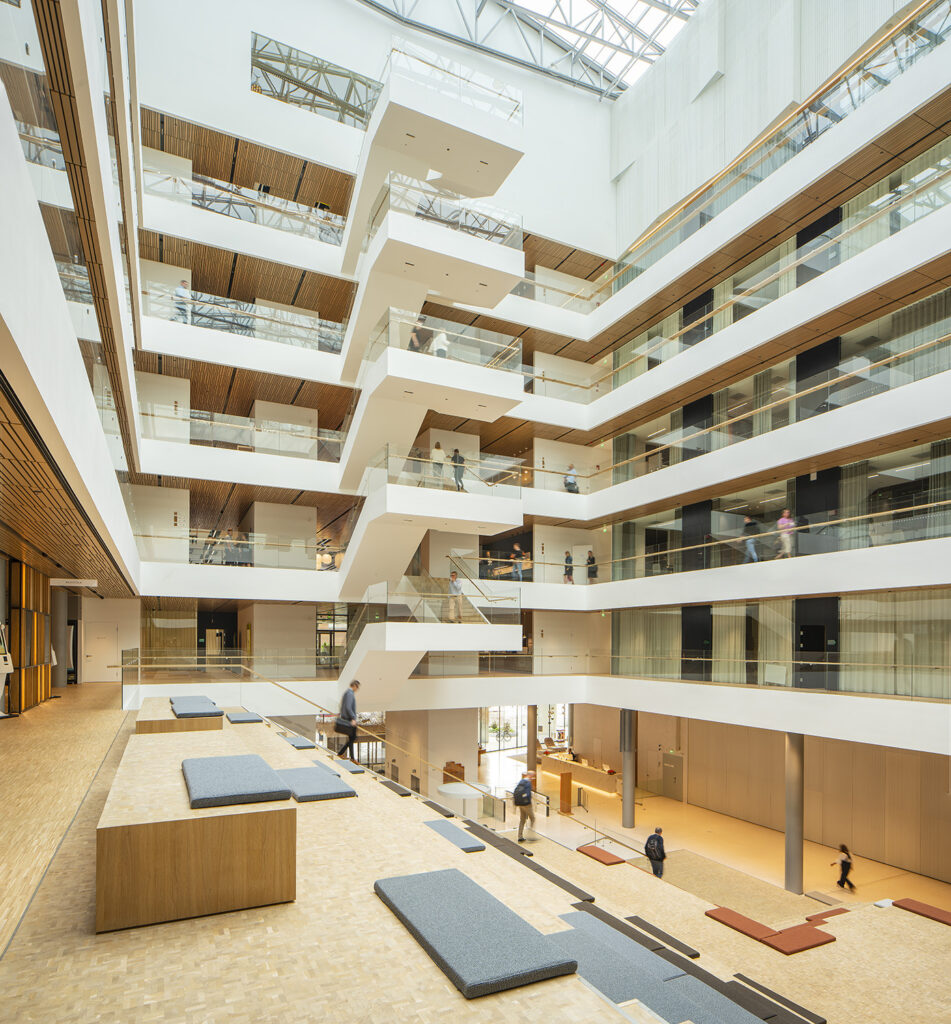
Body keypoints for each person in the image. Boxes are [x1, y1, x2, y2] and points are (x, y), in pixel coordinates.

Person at [335, 679, 360, 761]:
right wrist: (353, 718)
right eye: (357, 687)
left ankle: (345, 754)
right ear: (355, 686)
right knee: (353, 737)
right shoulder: (349, 694)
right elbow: (348, 707)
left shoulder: (348, 693)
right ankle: (347, 755)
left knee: (351, 738)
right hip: (349, 719)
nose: (358, 689)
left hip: (348, 717)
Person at [513, 771, 536, 842]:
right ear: (530, 776)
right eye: (533, 776)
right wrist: (529, 802)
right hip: (526, 804)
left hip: (520, 803)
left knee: (522, 819)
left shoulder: (521, 781)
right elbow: (528, 794)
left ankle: (520, 836)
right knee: (532, 818)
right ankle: (530, 835)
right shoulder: (528, 783)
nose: (533, 777)